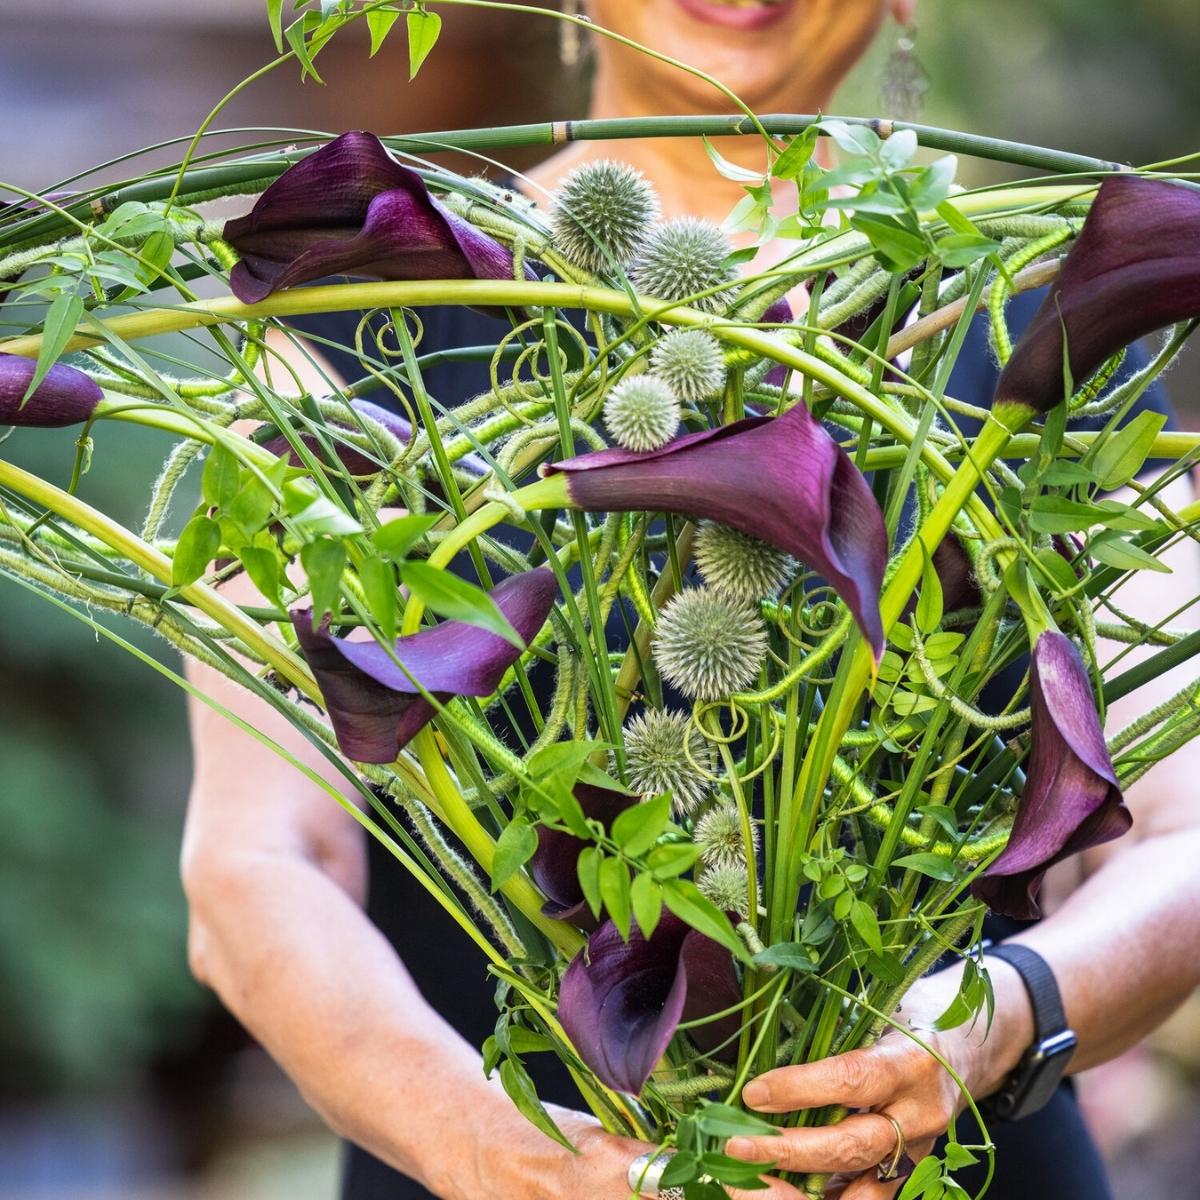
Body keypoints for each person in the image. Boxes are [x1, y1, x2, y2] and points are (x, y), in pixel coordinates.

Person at [181, 3, 1200, 1199]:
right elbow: (256, 863)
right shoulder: (349, 319)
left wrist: (999, 1018)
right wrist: (482, 1144)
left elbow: (1186, 839)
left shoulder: (1044, 313)